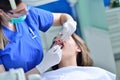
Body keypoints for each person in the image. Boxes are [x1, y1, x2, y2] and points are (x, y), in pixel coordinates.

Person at [0, 0, 76, 78]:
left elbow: (62, 17)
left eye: (25, 7)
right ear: (1, 12)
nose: (26, 12)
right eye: (19, 11)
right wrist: (42, 66)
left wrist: (69, 22)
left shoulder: (31, 14)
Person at [39, 33, 116, 80]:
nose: (57, 41)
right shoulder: (43, 77)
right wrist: (41, 67)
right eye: (54, 42)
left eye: (64, 37)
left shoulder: (98, 74)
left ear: (78, 48)